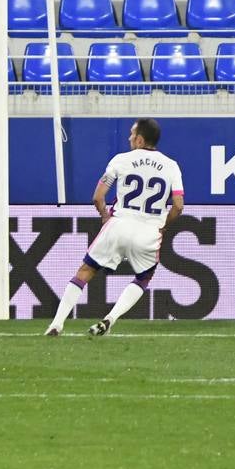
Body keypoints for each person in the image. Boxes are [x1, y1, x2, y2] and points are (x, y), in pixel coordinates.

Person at [45, 118, 184, 337]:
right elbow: (178, 205)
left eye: (131, 134)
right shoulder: (171, 165)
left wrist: (104, 215)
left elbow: (98, 197)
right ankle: (110, 319)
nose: (129, 138)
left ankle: (56, 324)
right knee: (143, 278)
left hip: (118, 225)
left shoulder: (120, 160)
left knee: (85, 271)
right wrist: (163, 225)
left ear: (139, 139)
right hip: (148, 233)